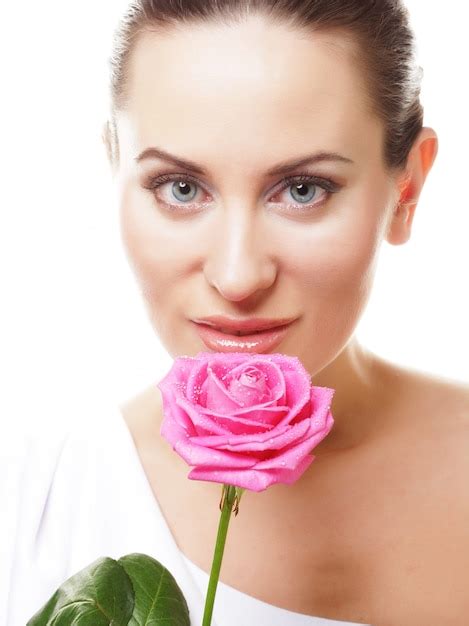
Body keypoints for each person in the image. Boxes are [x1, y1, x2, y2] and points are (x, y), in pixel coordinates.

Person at [3, 1, 468, 625]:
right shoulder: (31, 504)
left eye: (304, 189)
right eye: (181, 188)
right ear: (115, 169)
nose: (238, 276)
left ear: (406, 190)